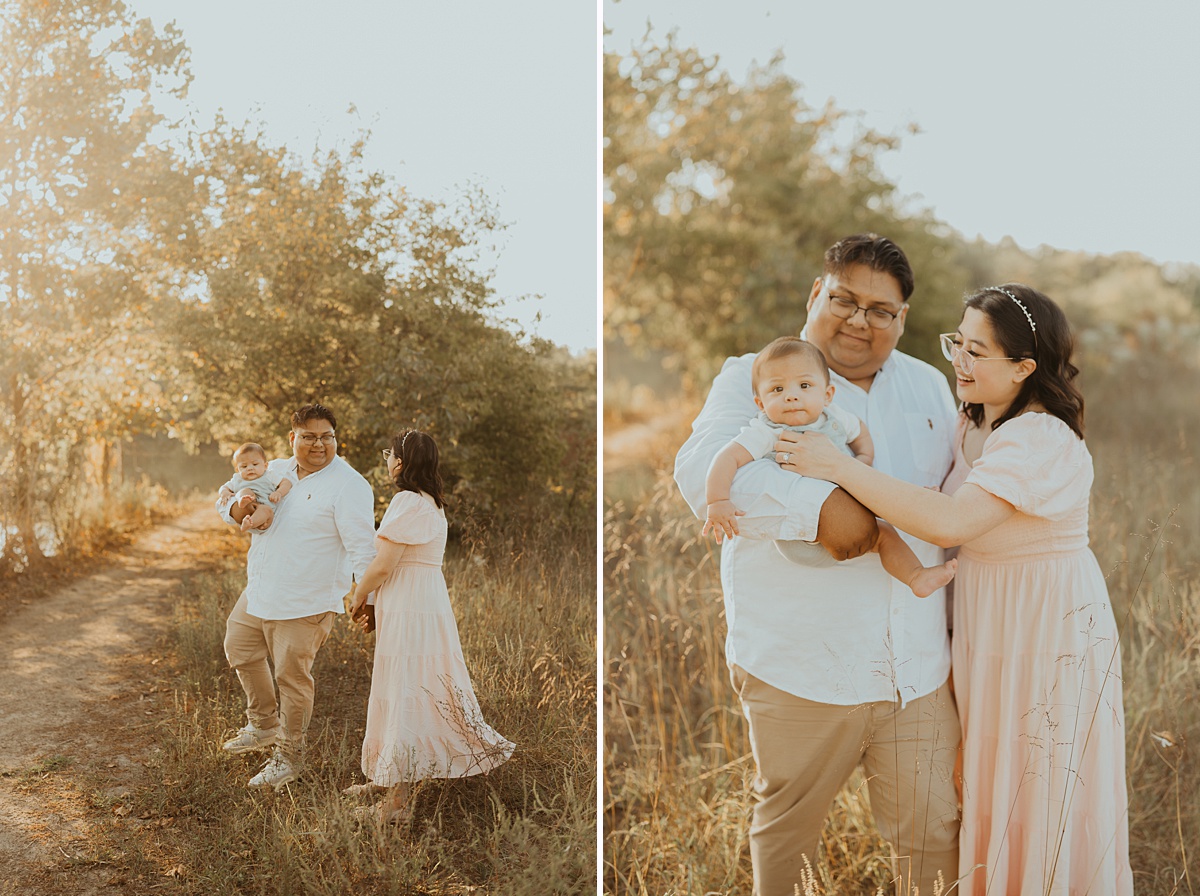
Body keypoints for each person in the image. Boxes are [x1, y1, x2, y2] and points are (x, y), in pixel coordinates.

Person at [784, 284, 1132, 894]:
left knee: (1039, 784)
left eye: (978, 352)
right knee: (987, 780)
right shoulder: (975, 416)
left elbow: (949, 522)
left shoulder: (1039, 437)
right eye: (957, 344)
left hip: (1044, 627)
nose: (960, 363)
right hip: (989, 622)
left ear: (1025, 368)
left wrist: (839, 467)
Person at [675, 233, 961, 895]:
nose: (860, 319)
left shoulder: (928, 387)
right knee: (788, 843)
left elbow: (956, 502)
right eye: (844, 300)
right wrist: (827, 507)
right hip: (803, 667)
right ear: (815, 294)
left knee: (933, 841)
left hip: (915, 673)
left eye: (880, 310)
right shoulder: (754, 377)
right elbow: (703, 478)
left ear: (902, 319)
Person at [344, 428, 514, 824]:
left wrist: (358, 595)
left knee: (403, 685)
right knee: (413, 683)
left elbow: (384, 565)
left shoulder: (405, 501)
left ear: (400, 463)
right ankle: (391, 776)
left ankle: (397, 804)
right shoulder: (432, 503)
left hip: (408, 604)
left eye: (390, 453)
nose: (387, 459)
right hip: (424, 602)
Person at [703, 335, 958, 597]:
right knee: (879, 528)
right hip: (804, 535)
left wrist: (863, 460)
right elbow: (727, 458)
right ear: (761, 404)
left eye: (804, 385)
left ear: (827, 395)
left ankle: (916, 575)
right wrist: (718, 500)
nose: (791, 396)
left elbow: (860, 432)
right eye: (777, 390)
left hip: (850, 512)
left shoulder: (834, 417)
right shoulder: (768, 431)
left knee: (886, 530)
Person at [215, 403, 377, 790]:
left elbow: (363, 548)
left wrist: (368, 597)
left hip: (306, 599)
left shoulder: (349, 485)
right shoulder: (275, 470)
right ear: (293, 439)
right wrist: (237, 512)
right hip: (261, 587)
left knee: (292, 679)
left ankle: (289, 757)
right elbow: (228, 501)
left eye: (327, 436)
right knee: (239, 647)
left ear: (336, 439)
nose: (319, 444)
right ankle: (263, 726)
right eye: (309, 436)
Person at [218, 442, 293, 533]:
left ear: (265, 466)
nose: (249, 468)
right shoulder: (237, 479)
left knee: (267, 510)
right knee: (245, 491)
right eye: (244, 466)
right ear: (238, 469)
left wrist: (279, 493)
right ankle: (243, 500)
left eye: (255, 464)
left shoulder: (269, 475)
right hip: (247, 506)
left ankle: (250, 523)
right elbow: (224, 487)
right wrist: (225, 493)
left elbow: (286, 483)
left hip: (264, 513)